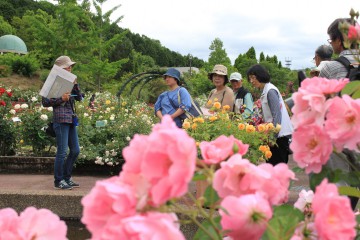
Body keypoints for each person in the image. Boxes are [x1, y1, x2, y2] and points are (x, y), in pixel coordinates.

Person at [319, 18, 359, 209]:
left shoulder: (329, 67)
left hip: (338, 136)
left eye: (331, 40)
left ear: (338, 40)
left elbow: (318, 103)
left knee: (341, 184)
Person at [42, 56, 82, 190]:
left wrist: (75, 84)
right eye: (67, 66)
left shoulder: (71, 80)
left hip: (70, 118)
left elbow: (80, 98)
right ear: (59, 69)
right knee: (62, 152)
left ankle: (66, 177)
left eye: (70, 66)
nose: (70, 68)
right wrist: (61, 99)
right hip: (60, 119)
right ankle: (58, 181)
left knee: (75, 150)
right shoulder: (52, 82)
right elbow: (45, 102)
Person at [246, 64, 293, 166]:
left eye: (253, 78)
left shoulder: (270, 91)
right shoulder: (265, 90)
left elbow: (277, 116)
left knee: (277, 168)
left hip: (279, 137)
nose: (252, 81)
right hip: (275, 136)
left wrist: (273, 137)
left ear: (261, 75)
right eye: (250, 79)